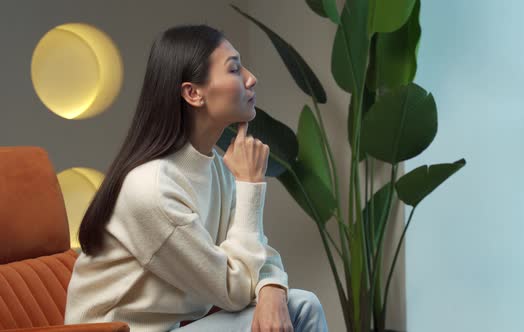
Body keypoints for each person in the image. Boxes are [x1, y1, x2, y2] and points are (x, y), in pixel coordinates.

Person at [64, 24, 329, 332]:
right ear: (193, 93)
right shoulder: (151, 189)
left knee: (302, 305)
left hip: (175, 328)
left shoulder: (217, 166)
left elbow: (258, 254)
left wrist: (272, 290)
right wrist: (251, 187)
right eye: (234, 70)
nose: (250, 78)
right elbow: (234, 290)